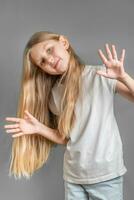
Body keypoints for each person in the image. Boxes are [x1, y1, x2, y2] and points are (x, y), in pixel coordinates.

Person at [4, 31, 134, 200]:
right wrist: (38, 128)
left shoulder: (100, 75)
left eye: (49, 50)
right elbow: (66, 138)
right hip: (73, 177)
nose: (49, 60)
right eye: (42, 62)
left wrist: (123, 77)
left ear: (63, 42)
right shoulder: (55, 95)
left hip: (105, 176)